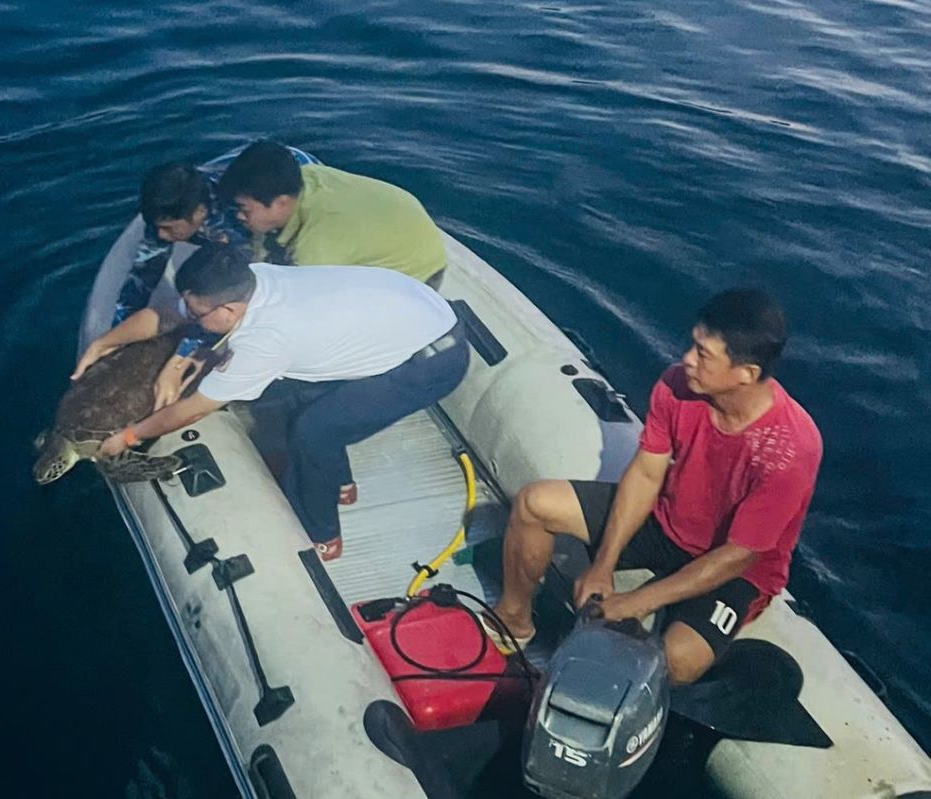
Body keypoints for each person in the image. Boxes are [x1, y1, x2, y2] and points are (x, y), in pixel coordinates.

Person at [488, 289, 821, 683]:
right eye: (692, 345)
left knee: (680, 660)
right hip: (666, 523)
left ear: (746, 373)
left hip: (736, 569)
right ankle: (515, 621)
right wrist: (603, 564)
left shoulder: (791, 449)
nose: (687, 359)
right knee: (534, 504)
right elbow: (646, 474)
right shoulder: (677, 386)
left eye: (703, 353)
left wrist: (634, 603)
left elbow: (739, 555)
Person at [96, 244, 469, 561]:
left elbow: (195, 408)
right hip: (419, 318)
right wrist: (104, 344)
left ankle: (324, 534)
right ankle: (341, 485)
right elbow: (169, 317)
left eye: (196, 315)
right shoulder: (255, 278)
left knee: (313, 431)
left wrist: (128, 437)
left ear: (228, 312)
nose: (189, 319)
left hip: (430, 362)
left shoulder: (264, 340)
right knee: (303, 401)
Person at [113, 147, 319, 323]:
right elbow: (142, 278)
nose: (162, 236)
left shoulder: (237, 215)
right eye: (157, 226)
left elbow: (252, 274)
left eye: (169, 228)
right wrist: (120, 328)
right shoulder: (173, 212)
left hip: (295, 169)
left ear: (199, 213)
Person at [217, 140, 447, 286]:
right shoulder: (306, 176)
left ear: (281, 202)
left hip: (418, 275)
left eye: (244, 209)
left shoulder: (319, 242)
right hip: (402, 226)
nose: (239, 216)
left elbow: (304, 300)